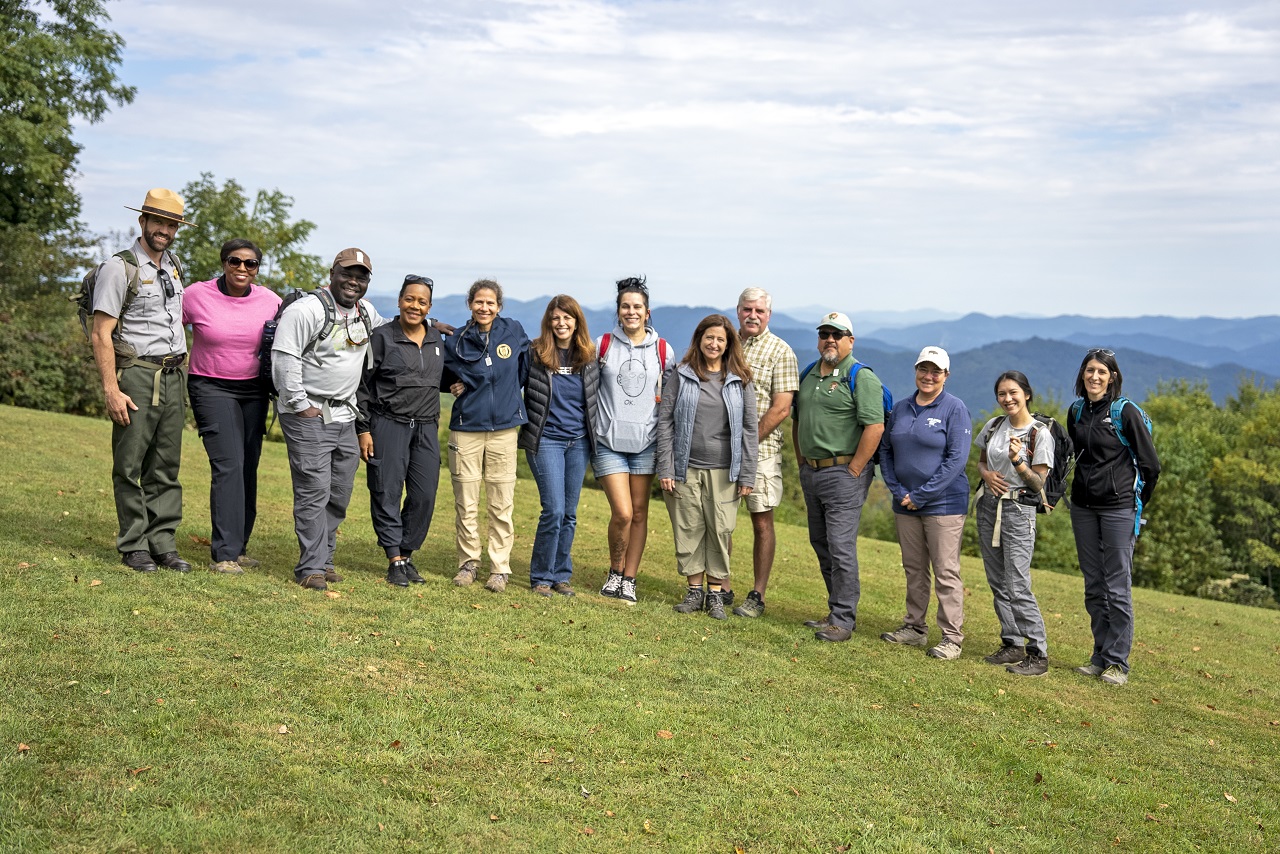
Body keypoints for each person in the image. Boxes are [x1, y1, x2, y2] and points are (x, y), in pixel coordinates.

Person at [91, 188, 194, 574]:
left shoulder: (174, 266)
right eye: (158, 222)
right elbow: (102, 333)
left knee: (166, 466)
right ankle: (134, 545)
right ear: (143, 222)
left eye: (171, 224)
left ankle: (163, 543)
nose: (164, 230)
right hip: (137, 375)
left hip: (173, 375)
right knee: (130, 463)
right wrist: (110, 389)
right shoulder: (119, 268)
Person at [272, 248, 385, 591]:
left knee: (339, 491)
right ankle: (311, 568)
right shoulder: (306, 310)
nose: (354, 281)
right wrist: (301, 404)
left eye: (361, 276)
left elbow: (391, 333)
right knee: (313, 489)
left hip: (345, 415)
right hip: (309, 412)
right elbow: (284, 358)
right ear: (332, 273)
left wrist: (431, 327)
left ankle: (325, 558)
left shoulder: (366, 312)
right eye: (347, 273)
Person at [182, 239, 282, 575]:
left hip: (254, 390)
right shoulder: (196, 294)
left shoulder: (270, 301)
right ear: (224, 262)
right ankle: (223, 555)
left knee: (248, 465)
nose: (242, 269)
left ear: (257, 268)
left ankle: (238, 548)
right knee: (229, 464)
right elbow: (165, 323)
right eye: (234, 261)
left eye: (250, 264)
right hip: (210, 386)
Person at [1068, 348, 1160, 686]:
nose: (1094, 377)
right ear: (1082, 374)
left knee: (1117, 587)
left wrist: (1136, 503)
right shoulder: (1076, 411)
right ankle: (1099, 657)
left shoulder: (1126, 412)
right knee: (1094, 587)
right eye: (1090, 370)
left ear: (1113, 377)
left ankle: (1117, 664)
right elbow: (1075, 456)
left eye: (1101, 372)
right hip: (1082, 507)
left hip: (1119, 508)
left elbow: (1151, 465)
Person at [791, 312, 885, 641]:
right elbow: (797, 419)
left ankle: (843, 620)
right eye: (824, 333)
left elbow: (875, 427)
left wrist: (855, 468)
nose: (830, 339)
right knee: (821, 543)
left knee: (841, 546)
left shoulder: (861, 377)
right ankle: (835, 611)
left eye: (838, 334)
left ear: (850, 340)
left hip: (844, 473)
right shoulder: (808, 374)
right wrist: (803, 461)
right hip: (813, 472)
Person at [657, 315, 758, 619]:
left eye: (720, 340)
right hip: (685, 467)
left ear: (729, 345)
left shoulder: (740, 379)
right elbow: (666, 421)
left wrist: (747, 473)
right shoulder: (683, 374)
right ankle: (693, 591)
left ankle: (716, 593)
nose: (714, 344)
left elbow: (750, 429)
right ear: (699, 339)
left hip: (725, 470)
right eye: (709, 338)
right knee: (689, 527)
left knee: (720, 528)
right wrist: (666, 466)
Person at [878, 346, 972, 660]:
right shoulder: (902, 408)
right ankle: (914, 628)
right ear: (916, 370)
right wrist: (896, 489)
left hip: (943, 504)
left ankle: (951, 639)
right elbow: (886, 452)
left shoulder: (954, 408)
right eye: (924, 369)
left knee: (946, 571)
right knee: (914, 569)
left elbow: (957, 459)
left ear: (946, 375)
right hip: (904, 503)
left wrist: (921, 495)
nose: (928, 376)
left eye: (935, 371)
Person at [356, 275, 444, 589]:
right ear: (399, 301)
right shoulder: (382, 337)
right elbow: (362, 386)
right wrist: (363, 429)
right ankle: (394, 558)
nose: (415, 306)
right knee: (386, 491)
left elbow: (439, 377)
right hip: (387, 424)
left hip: (425, 428)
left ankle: (407, 553)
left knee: (424, 495)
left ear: (429, 306)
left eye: (422, 301)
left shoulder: (436, 339)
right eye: (410, 299)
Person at [443, 279, 531, 594]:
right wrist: (455, 384)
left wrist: (507, 396)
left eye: (490, 303)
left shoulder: (514, 331)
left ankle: (499, 569)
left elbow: (523, 369)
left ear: (499, 306)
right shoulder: (456, 340)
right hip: (466, 427)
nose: (484, 308)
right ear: (470, 304)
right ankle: (468, 564)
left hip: (504, 429)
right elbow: (443, 375)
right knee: (466, 501)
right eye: (479, 302)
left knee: (501, 502)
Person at [594, 276, 676, 605]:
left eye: (637, 307)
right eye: (625, 306)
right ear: (618, 311)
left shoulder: (662, 350)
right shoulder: (602, 345)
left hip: (646, 443)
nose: (631, 311)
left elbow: (670, 397)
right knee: (624, 513)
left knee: (640, 513)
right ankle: (615, 570)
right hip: (608, 441)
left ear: (647, 311)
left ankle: (629, 579)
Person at [519, 295, 601, 597]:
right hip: (545, 439)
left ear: (577, 321)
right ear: (548, 322)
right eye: (556, 318)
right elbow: (508, 382)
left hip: (579, 442)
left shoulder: (589, 357)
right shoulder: (536, 353)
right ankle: (540, 576)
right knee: (553, 510)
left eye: (567, 318)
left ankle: (560, 576)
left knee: (569, 512)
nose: (561, 323)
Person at [974, 371, 1053, 677]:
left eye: (1013, 393)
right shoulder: (994, 425)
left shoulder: (1039, 434)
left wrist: (1019, 462)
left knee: (1017, 584)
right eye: (1002, 394)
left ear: (1027, 394)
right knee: (997, 581)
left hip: (1019, 509)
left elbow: (1038, 483)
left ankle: (1038, 652)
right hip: (989, 506)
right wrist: (986, 474)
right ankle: (1012, 642)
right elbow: (982, 461)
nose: (1007, 399)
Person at [728, 287, 798, 618]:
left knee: (761, 522)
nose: (752, 315)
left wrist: (748, 440)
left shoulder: (781, 351)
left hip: (762, 451)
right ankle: (720, 587)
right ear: (738, 310)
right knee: (720, 520)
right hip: (719, 448)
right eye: (747, 309)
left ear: (768, 315)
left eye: (759, 311)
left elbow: (782, 408)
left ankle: (757, 593)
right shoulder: (726, 342)